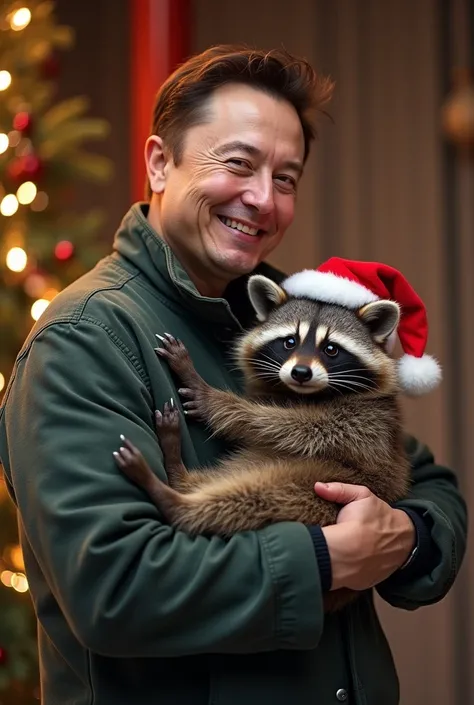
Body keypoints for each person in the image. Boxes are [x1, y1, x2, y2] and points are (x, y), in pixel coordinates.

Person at [0, 45, 467, 705]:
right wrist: (325, 559)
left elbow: (429, 482)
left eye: (286, 177)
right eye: (240, 164)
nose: (262, 199)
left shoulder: (299, 314)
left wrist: (408, 537)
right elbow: (115, 588)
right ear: (161, 163)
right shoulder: (87, 340)